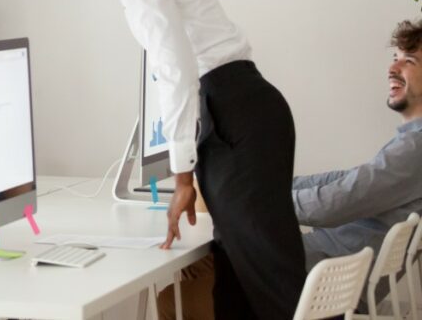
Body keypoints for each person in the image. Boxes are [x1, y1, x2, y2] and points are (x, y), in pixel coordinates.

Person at [14, 0, 305, 319]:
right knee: (238, 281)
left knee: (273, 291)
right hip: (253, 106)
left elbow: (174, 66)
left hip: (232, 117)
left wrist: (182, 175)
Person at [158, 18, 422, 319]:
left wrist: (253, 204)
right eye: (395, 58)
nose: (392, 68)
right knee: (203, 262)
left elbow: (335, 204)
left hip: (322, 287)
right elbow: (346, 180)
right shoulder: (410, 144)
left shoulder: (415, 150)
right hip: (321, 268)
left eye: (408, 61)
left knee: (172, 299)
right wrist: (266, 184)